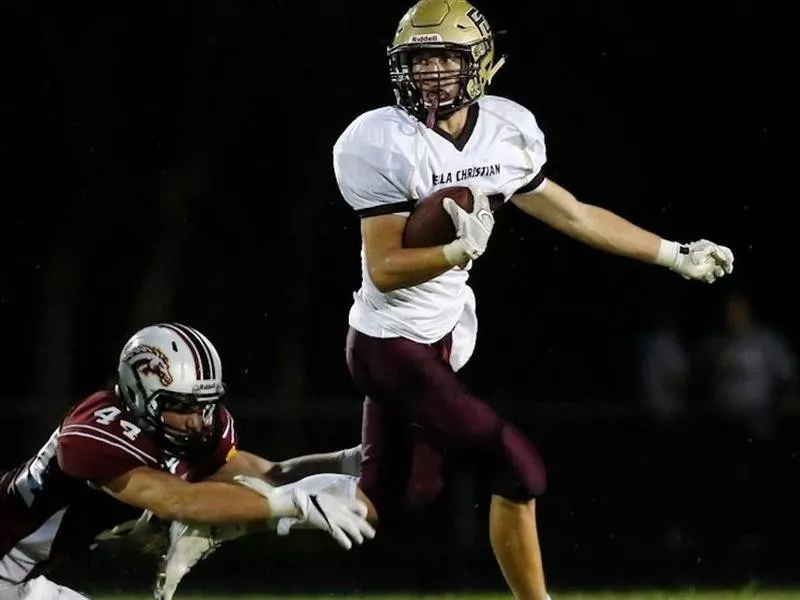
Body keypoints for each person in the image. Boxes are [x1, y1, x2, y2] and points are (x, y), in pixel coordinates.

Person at [331, 1, 735, 599]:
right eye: (418, 59)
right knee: (518, 470)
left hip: (441, 335)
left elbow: (572, 212)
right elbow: (388, 269)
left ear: (481, 63)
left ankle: (242, 503)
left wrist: (673, 254)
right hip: (389, 342)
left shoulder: (507, 128)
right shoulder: (378, 140)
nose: (431, 72)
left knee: (396, 495)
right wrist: (454, 253)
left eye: (445, 57)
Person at [0, 323, 374, 599]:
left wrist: (351, 461)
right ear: (138, 393)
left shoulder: (193, 428)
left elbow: (269, 474)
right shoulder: (95, 433)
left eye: (204, 405)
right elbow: (180, 500)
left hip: (23, 577)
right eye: (181, 406)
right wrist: (290, 504)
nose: (197, 420)